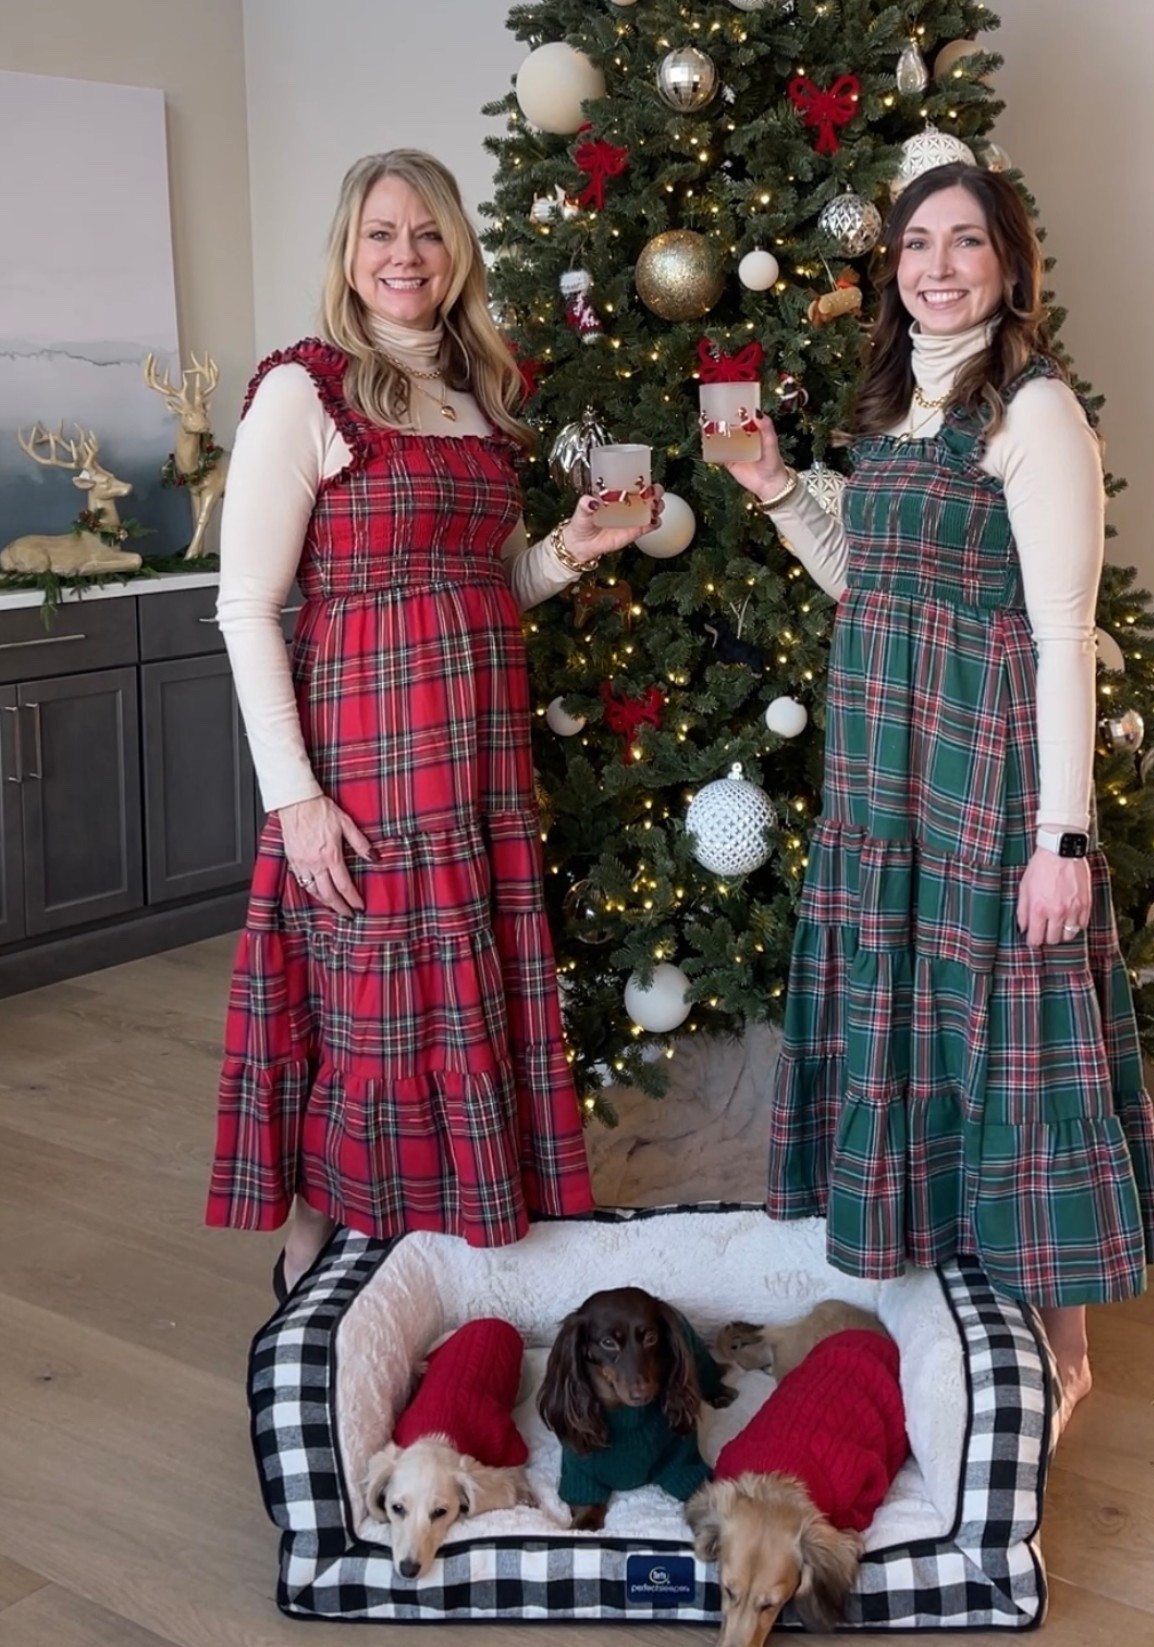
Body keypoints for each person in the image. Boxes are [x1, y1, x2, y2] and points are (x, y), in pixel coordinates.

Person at [725, 162, 1154, 1427]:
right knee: (911, 1019)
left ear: (1009, 264)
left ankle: (1065, 1353)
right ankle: (938, 1297)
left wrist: (1062, 838)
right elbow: (867, 582)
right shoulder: (888, 405)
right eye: (916, 244)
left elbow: (1064, 635)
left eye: (964, 242)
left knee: (1023, 1037)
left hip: (986, 766)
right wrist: (776, 491)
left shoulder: (1035, 412)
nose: (936, 266)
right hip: (885, 765)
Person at [205, 150, 662, 1300]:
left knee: (451, 1005)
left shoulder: (478, 396)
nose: (403, 255)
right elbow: (246, 606)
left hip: (475, 757)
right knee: (363, 999)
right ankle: (313, 1258)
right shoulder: (303, 390)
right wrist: (295, 800)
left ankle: (450, 1248)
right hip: (364, 753)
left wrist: (572, 548)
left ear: (456, 251)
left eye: (425, 233)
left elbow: (484, 583)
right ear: (348, 253)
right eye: (380, 233)